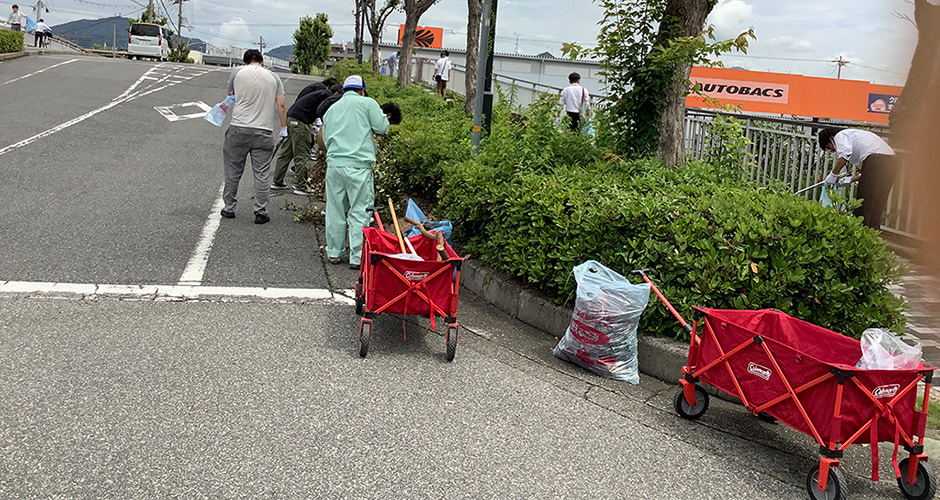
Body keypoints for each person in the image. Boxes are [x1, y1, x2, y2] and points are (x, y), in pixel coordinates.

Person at [320, 75, 392, 269]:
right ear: (362, 90)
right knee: (359, 210)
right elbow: (382, 127)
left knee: (335, 210)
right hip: (359, 166)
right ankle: (357, 256)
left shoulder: (331, 109)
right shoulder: (367, 103)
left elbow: (326, 139)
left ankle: (334, 253)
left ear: (344, 90)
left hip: (335, 165)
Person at [220, 49, 287, 225]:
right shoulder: (274, 77)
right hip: (264, 132)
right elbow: (281, 103)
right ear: (263, 63)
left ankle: (229, 208)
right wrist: (283, 128)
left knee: (233, 171)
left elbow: (230, 95)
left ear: (245, 63)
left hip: (239, 129)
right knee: (262, 174)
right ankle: (260, 212)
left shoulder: (237, 72)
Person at [818, 127, 897, 230]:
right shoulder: (856, 136)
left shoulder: (840, 136)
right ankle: (873, 235)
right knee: (877, 204)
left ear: (831, 138)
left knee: (863, 204)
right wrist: (851, 179)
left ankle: (860, 234)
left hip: (876, 160)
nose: (832, 150)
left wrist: (833, 174)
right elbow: (871, 175)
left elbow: (845, 154)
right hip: (892, 162)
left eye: (828, 147)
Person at [272, 84, 341, 193]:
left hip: (291, 118)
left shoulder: (318, 94)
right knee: (302, 153)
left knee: (287, 152)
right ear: (336, 93)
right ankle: (301, 186)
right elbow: (324, 107)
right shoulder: (327, 94)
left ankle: (277, 181)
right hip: (300, 122)